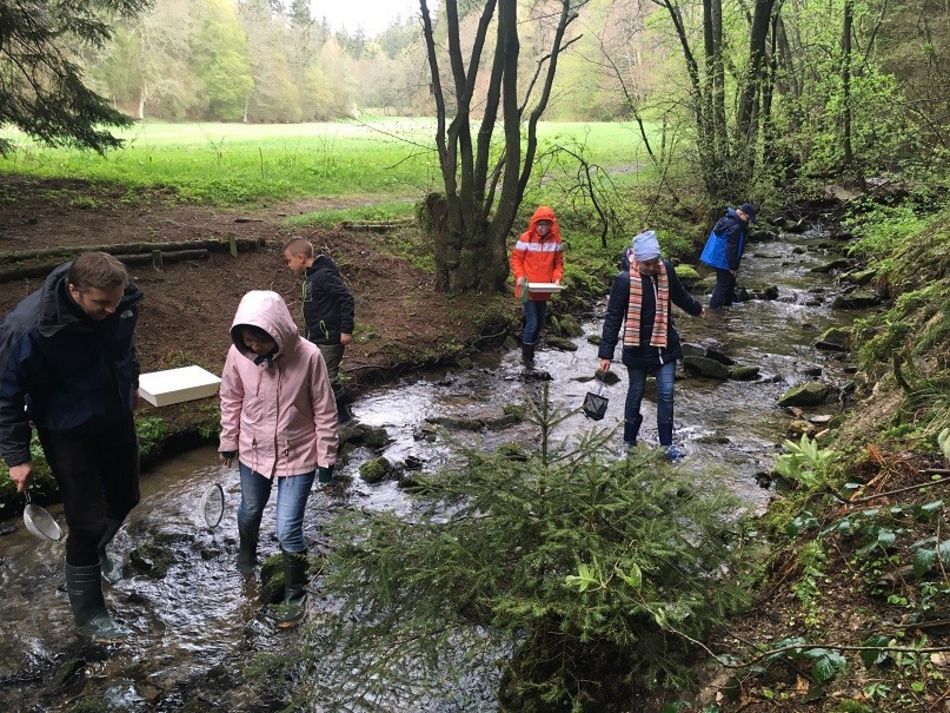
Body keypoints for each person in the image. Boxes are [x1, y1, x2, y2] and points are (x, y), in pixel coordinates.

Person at [0, 252, 142, 641]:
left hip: (113, 413)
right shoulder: (28, 328)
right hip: (64, 426)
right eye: (102, 303)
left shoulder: (120, 302)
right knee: (85, 520)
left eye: (117, 300)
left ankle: (96, 551)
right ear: (74, 290)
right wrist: (17, 455)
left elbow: (125, 350)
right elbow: (5, 395)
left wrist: (132, 385)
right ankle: (90, 612)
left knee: (127, 495)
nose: (113, 310)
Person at [218, 290, 338, 628]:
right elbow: (231, 397)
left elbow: (326, 411)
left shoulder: (309, 356)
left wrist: (326, 459)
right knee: (250, 510)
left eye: (260, 340)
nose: (253, 347)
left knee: (287, 528)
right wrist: (228, 440)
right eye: (248, 340)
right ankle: (247, 554)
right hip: (253, 449)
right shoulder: (238, 355)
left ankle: (295, 592)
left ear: (279, 333)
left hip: (298, 453)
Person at [598, 231, 705, 461]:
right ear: (638, 259)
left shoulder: (665, 269)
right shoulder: (624, 280)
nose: (653, 267)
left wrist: (696, 309)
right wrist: (605, 353)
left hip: (665, 345)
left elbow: (679, 295)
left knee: (666, 394)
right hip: (636, 348)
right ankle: (629, 442)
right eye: (648, 263)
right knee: (635, 394)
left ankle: (666, 445)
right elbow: (613, 317)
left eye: (655, 261)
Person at [282, 238, 355, 419]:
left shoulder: (323, 276)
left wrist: (346, 330)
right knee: (317, 376)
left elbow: (346, 299)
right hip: (316, 337)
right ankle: (328, 413)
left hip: (330, 337)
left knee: (328, 377)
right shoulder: (311, 278)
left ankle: (344, 418)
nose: (288, 265)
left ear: (301, 257)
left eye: (289, 260)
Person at [509, 206, 564, 369]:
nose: (541, 228)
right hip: (526, 286)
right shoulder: (525, 238)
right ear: (534, 224)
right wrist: (519, 276)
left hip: (544, 288)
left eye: (545, 224)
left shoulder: (556, 241)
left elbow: (558, 263)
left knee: (539, 323)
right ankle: (527, 358)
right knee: (533, 322)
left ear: (550, 225)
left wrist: (557, 278)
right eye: (539, 224)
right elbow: (516, 260)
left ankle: (530, 350)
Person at [699, 202, 758, 309]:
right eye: (749, 219)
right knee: (723, 284)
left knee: (730, 281)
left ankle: (727, 306)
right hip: (722, 259)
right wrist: (732, 267)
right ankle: (714, 312)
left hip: (715, 255)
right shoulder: (736, 226)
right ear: (742, 214)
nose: (749, 222)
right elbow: (732, 249)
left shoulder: (727, 218)